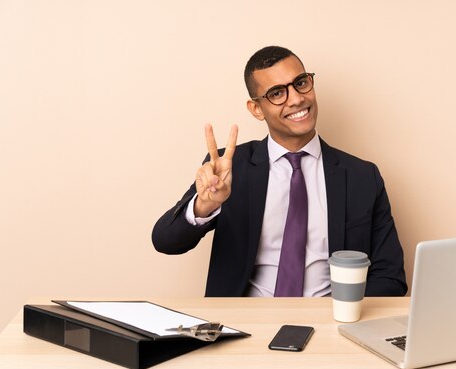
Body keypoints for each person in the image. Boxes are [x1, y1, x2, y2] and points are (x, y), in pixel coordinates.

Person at [152, 46, 407, 297]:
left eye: (300, 83)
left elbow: (391, 277)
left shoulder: (362, 177)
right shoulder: (231, 168)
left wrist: (339, 311)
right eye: (276, 93)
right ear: (256, 109)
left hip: (331, 324)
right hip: (247, 325)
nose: (296, 99)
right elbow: (165, 241)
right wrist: (204, 205)